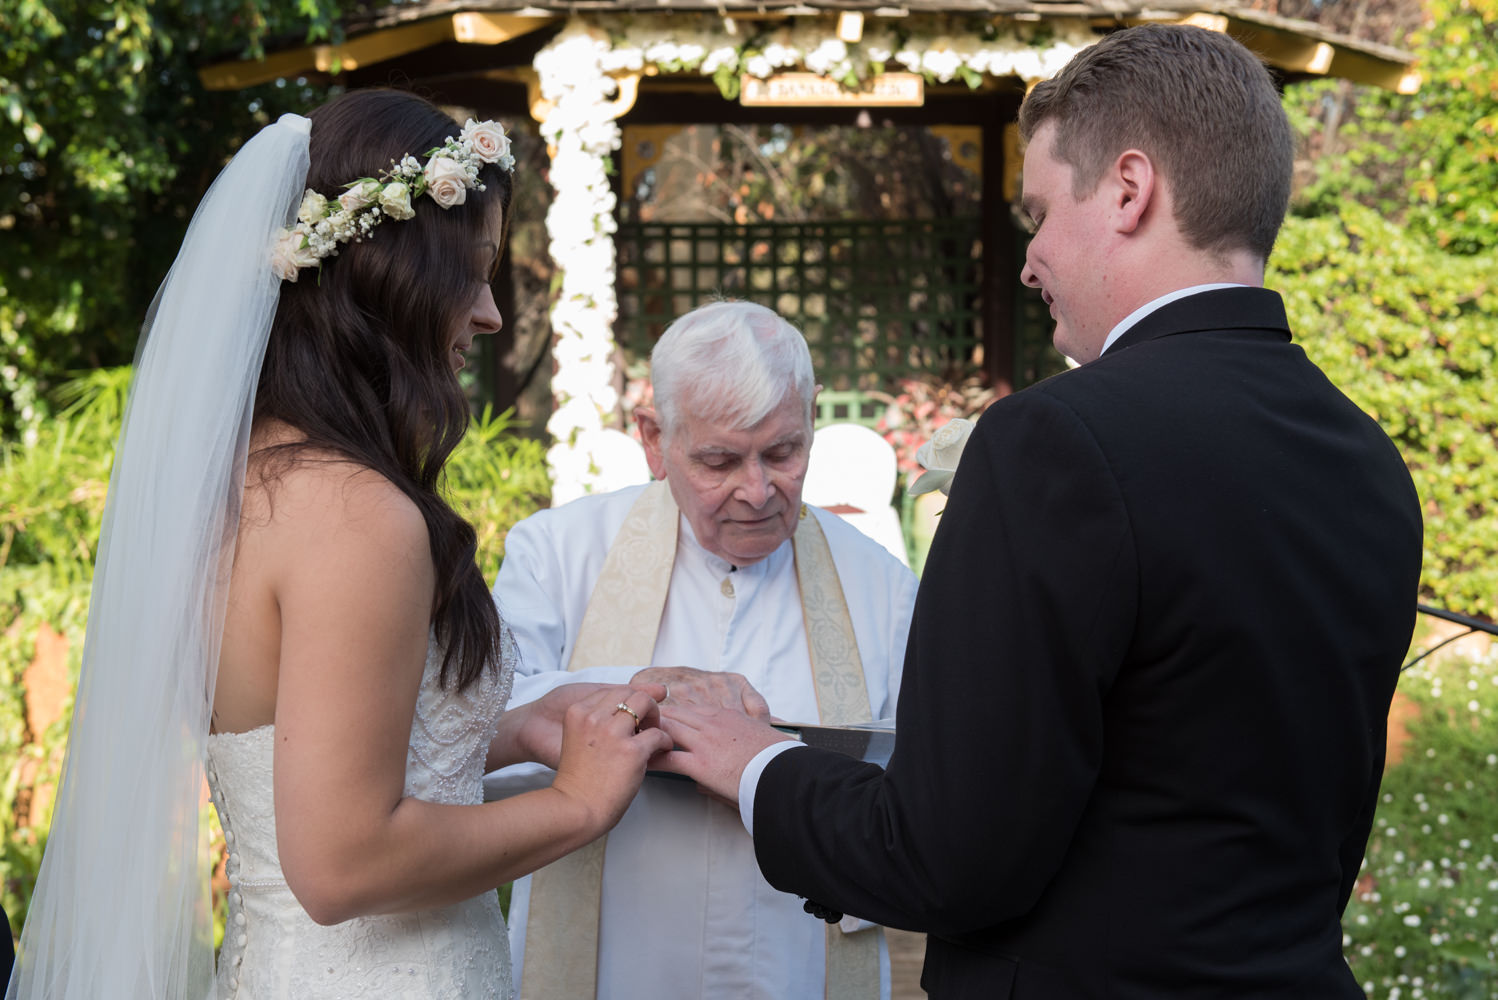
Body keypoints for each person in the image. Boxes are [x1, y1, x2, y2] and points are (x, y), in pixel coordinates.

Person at [656, 25, 1424, 999]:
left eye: (1038, 212)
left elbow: (947, 857)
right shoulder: (1365, 458)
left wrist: (758, 762)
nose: (1029, 261)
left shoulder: (1055, 443)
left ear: (1128, 190)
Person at [7, 89, 672, 1000]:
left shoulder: (250, 484)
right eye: (471, 272)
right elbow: (343, 863)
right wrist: (579, 804)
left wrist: (511, 734)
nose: (490, 313)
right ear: (386, 278)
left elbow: (308, 758)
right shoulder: (357, 516)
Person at [485, 300, 920, 999]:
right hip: (612, 967)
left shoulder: (886, 590)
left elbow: (916, 793)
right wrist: (629, 698)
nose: (757, 490)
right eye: (720, 460)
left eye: (784, 452)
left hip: (797, 963)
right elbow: (470, 745)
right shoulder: (558, 555)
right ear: (654, 439)